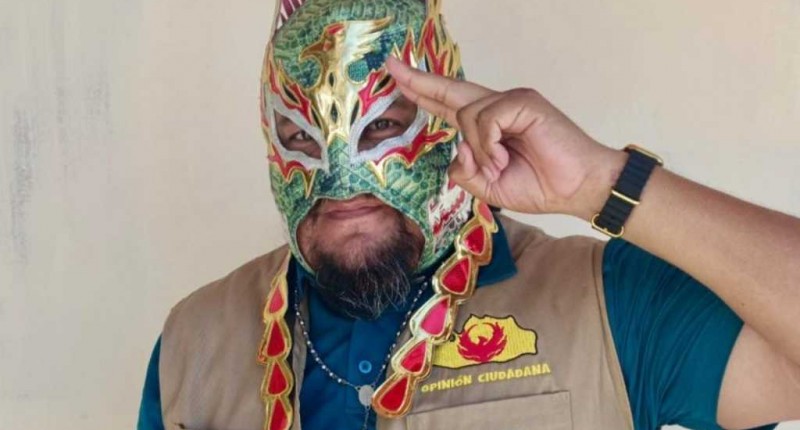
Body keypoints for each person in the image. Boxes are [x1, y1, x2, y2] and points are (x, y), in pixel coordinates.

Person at [138, 0, 800, 429]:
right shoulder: (194, 341)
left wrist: (600, 183)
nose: (340, 180)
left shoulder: (610, 303)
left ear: (443, 114)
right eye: (301, 138)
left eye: (380, 128)